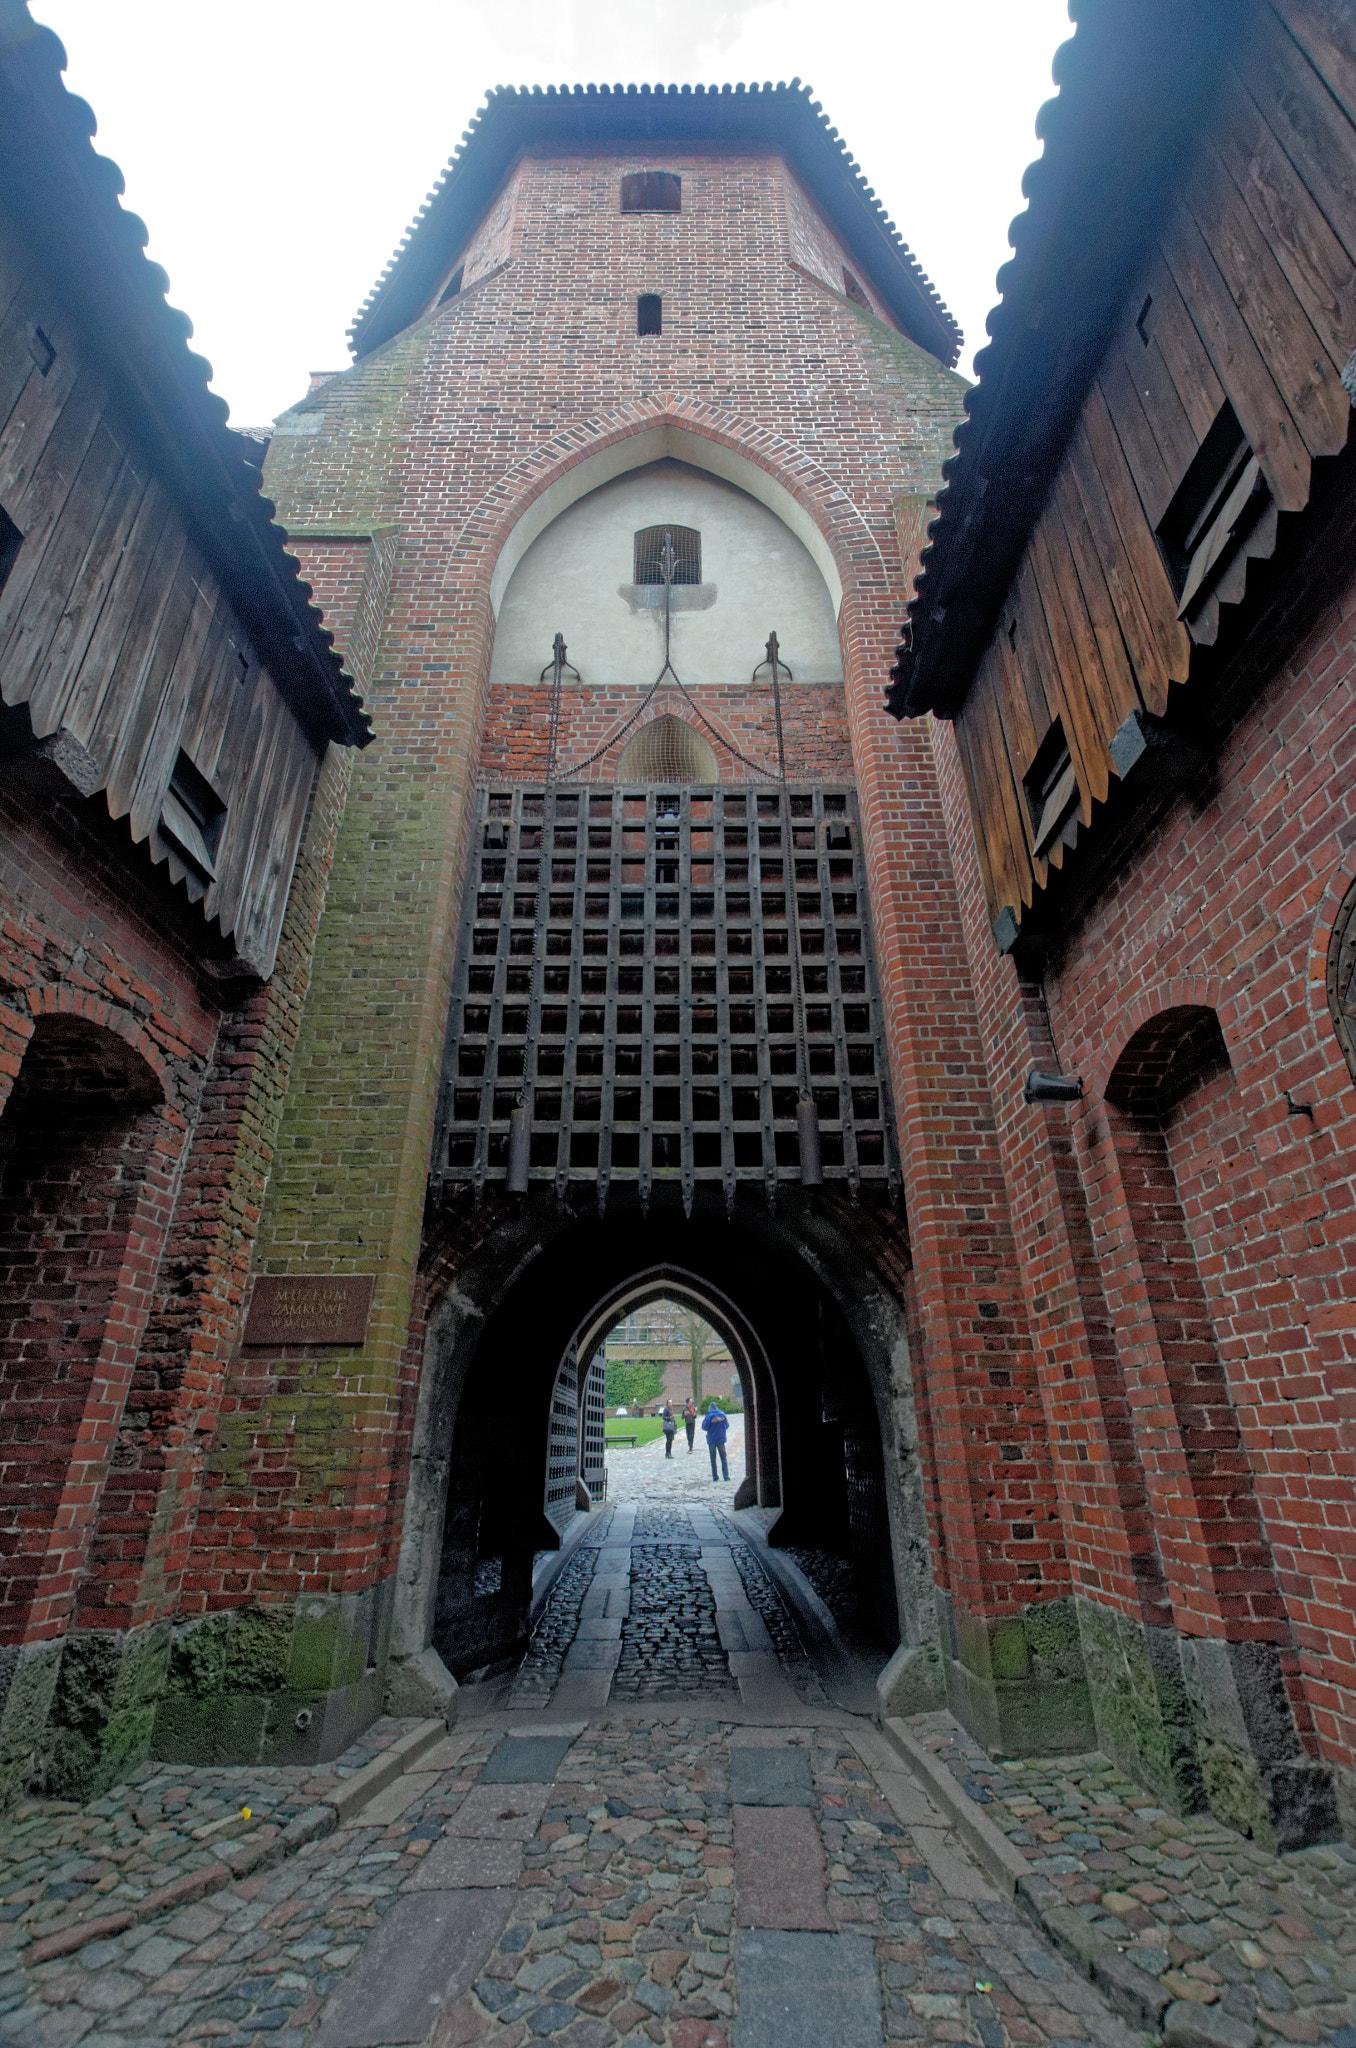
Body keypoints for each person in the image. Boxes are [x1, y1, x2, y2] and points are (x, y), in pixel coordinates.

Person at [702, 1399, 729, 1482]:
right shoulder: (722, 1414)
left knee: (713, 1459)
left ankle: (715, 1476)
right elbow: (727, 1425)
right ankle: (726, 1476)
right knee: (723, 1458)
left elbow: (704, 1427)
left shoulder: (709, 1416)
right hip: (721, 1439)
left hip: (712, 1440)